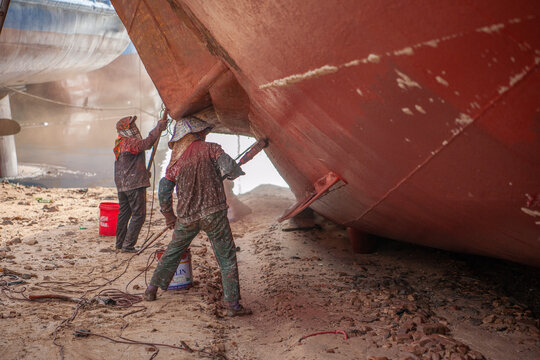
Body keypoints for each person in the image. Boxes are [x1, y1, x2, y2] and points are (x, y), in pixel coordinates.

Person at [144, 116, 251, 317]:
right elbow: (230, 168)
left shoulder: (176, 162)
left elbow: (164, 190)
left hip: (187, 218)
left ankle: (151, 290)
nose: (204, 135)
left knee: (173, 252)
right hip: (214, 214)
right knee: (226, 256)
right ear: (196, 134)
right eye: (202, 133)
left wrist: (169, 216)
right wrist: (233, 172)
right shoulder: (212, 148)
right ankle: (233, 306)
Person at [113, 115, 167, 252]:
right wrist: (159, 128)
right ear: (125, 130)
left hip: (122, 185)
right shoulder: (129, 142)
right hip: (134, 184)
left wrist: (142, 172)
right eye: (131, 126)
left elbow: (128, 165)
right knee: (138, 215)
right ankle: (128, 245)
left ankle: (120, 243)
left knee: (124, 214)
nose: (134, 128)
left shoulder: (120, 143)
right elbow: (146, 144)